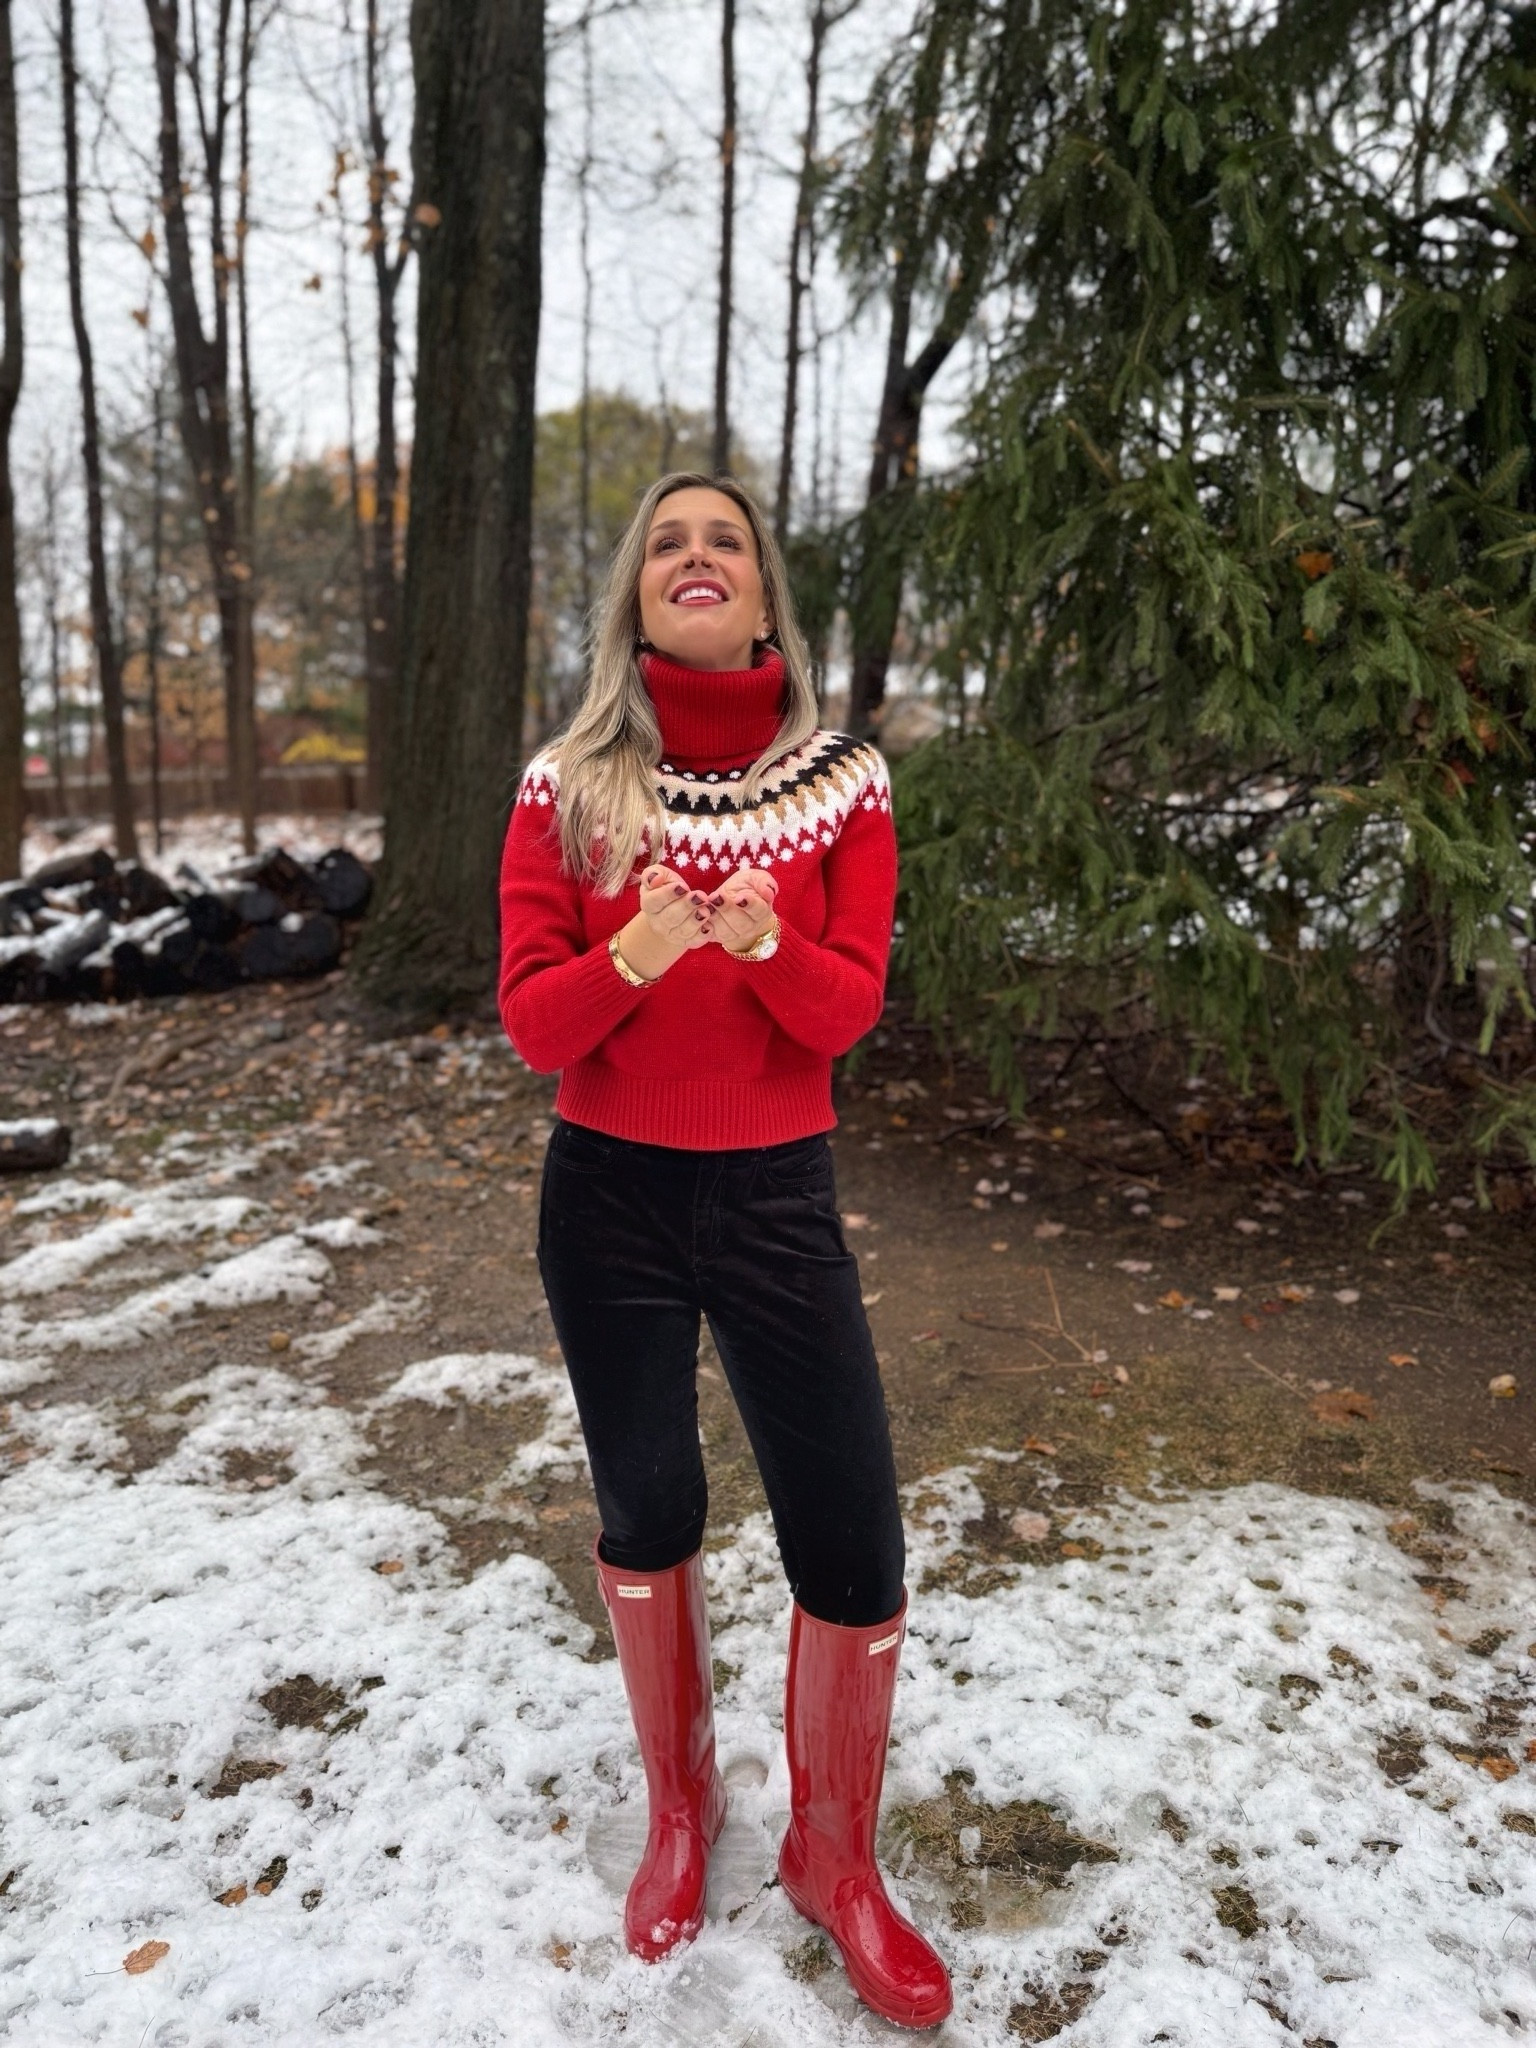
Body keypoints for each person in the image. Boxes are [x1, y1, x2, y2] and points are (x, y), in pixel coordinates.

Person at [497, 471, 951, 2029]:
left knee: (854, 1536)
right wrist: (635, 948)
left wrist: (765, 943)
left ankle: (837, 1856)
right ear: (637, 599)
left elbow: (849, 1013)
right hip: (606, 1197)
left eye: (727, 543)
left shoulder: (846, 787)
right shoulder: (565, 785)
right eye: (668, 545)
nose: (696, 559)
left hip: (774, 1199)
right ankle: (681, 1811)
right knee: (650, 1508)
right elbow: (531, 1020)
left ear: (763, 600)